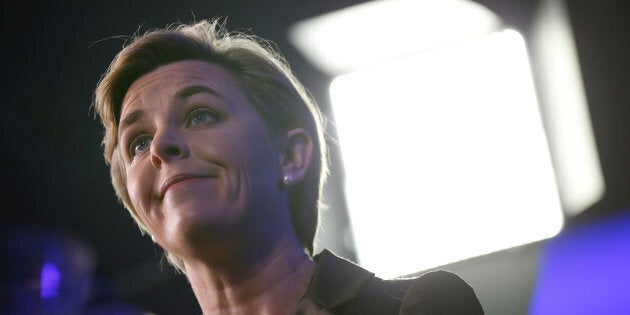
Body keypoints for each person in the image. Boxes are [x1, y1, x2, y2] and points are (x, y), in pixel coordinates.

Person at [92, 18, 484, 314]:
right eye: (139, 142)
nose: (161, 145)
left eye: (200, 115)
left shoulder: (416, 307)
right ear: (140, 209)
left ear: (290, 157)